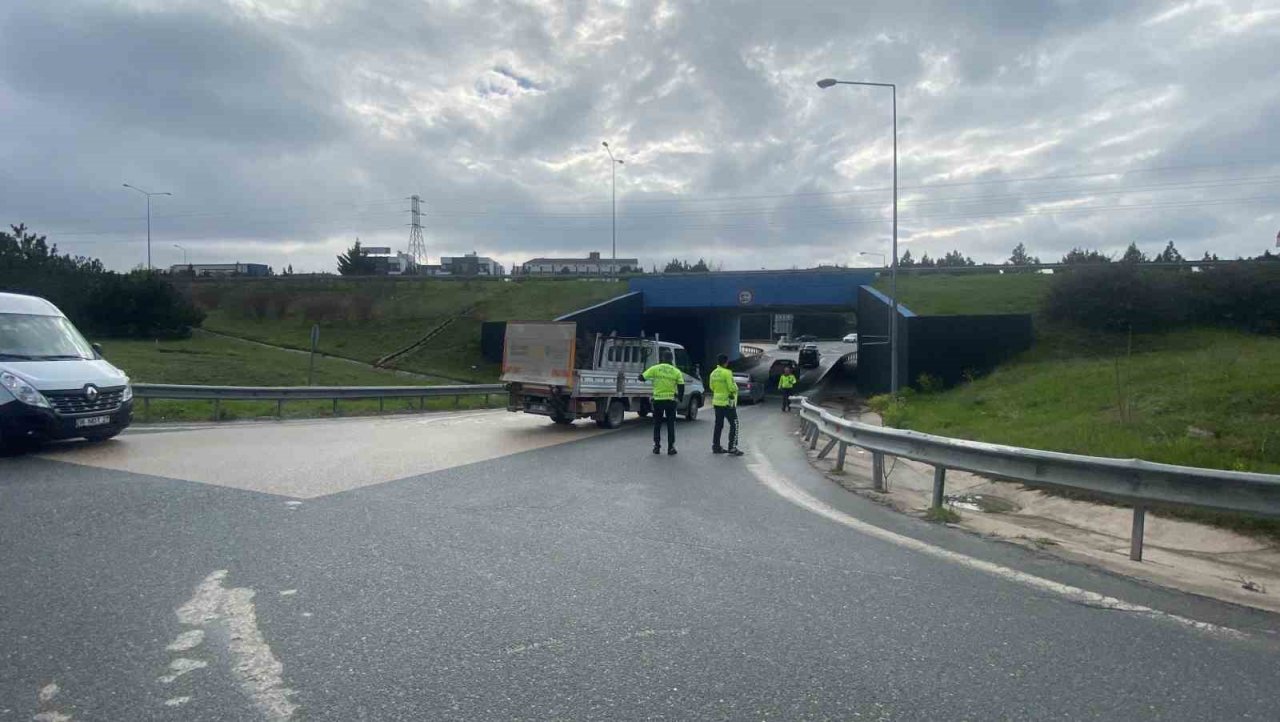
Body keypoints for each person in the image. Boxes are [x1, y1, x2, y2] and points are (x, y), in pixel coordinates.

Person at [641, 358, 685, 455]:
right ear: (672, 360)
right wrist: (680, 398)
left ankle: (657, 447)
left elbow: (642, 377)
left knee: (657, 424)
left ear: (662, 359)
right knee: (670, 425)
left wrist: (642, 375)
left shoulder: (655, 368)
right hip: (671, 401)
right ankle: (671, 448)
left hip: (658, 401)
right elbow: (681, 385)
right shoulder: (676, 371)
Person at [708, 354, 743, 456]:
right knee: (734, 424)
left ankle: (716, 446)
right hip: (727, 403)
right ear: (726, 362)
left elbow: (711, 387)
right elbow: (732, 388)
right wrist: (736, 388)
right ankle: (732, 447)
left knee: (718, 425)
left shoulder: (713, 373)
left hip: (717, 403)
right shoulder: (727, 373)